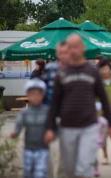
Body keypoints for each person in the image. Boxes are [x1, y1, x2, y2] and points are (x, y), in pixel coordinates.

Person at [44, 34, 111, 178]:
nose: (73, 51)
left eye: (76, 46)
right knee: (69, 170)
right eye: (70, 47)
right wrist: (50, 128)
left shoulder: (93, 72)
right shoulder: (62, 74)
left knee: (84, 169)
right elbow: (54, 104)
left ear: (83, 47)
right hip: (67, 128)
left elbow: (104, 99)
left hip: (89, 127)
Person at [11, 79, 49, 178]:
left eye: (38, 94)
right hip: (28, 149)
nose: (35, 97)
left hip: (43, 149)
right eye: (32, 94)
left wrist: (52, 133)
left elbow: (53, 127)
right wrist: (15, 132)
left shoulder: (47, 111)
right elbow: (19, 125)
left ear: (43, 95)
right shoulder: (24, 113)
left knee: (40, 173)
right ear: (27, 95)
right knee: (28, 173)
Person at [42, 41, 69, 178]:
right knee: (50, 151)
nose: (63, 55)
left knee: (65, 153)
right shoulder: (50, 68)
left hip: (68, 118)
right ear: (57, 53)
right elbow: (44, 92)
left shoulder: (74, 69)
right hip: (50, 115)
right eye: (61, 52)